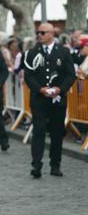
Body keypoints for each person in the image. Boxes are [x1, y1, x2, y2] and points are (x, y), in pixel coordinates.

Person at [23, 22, 75, 178]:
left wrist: (60, 89)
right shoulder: (32, 52)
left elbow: (70, 74)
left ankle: (55, 165)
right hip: (39, 99)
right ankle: (36, 165)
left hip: (57, 99)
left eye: (43, 32)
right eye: (38, 32)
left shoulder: (63, 52)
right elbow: (29, 76)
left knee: (56, 133)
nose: (39, 35)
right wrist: (40, 89)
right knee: (38, 132)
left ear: (52, 34)